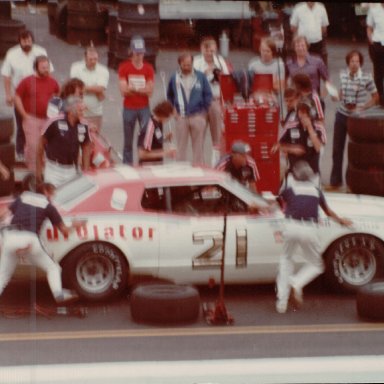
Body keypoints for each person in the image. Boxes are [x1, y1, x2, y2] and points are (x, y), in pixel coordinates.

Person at [275, 160, 352, 314]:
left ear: (295, 176)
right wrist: (342, 221)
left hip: (290, 226)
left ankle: (281, 303)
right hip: (309, 228)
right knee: (316, 265)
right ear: (310, 176)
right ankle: (296, 282)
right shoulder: (316, 191)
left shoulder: (290, 189)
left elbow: (279, 202)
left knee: (286, 259)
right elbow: (328, 212)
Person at [0, 181, 86, 304]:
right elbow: (65, 232)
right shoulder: (48, 206)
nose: (53, 198)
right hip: (29, 240)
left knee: (3, 276)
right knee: (53, 268)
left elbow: (3, 214)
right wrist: (75, 226)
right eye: (52, 194)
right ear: (46, 192)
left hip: (10, 238)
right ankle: (59, 294)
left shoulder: (23, 197)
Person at [328, 49, 378, 190]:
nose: (354, 64)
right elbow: (340, 94)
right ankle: (335, 181)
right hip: (342, 114)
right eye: (352, 61)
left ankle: (352, 181)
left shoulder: (366, 78)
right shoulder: (343, 75)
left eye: (357, 61)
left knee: (354, 150)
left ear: (360, 63)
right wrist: (335, 96)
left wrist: (364, 107)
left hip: (357, 117)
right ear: (348, 63)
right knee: (337, 149)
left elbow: (376, 97)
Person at [1, 29, 53, 161]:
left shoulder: (41, 52)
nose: (27, 43)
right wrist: (8, 94)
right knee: (22, 124)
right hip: (21, 96)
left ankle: (44, 152)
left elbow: (49, 72)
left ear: (32, 40)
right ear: (20, 41)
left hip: (40, 95)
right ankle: (20, 152)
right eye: (24, 41)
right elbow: (6, 75)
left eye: (29, 40)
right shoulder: (12, 54)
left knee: (43, 125)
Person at [14, 55, 60, 173]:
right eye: (43, 67)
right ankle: (34, 173)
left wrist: (56, 114)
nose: (46, 70)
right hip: (32, 119)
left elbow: (58, 96)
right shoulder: (27, 81)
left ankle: (44, 169)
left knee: (47, 146)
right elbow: (17, 97)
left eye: (47, 67)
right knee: (34, 146)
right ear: (36, 68)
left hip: (48, 120)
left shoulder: (53, 82)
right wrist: (24, 115)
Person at [167, 52, 212, 165]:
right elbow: (169, 96)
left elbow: (208, 95)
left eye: (189, 64)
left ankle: (199, 170)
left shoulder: (200, 77)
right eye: (184, 65)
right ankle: (180, 171)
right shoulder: (174, 78)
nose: (187, 67)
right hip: (181, 117)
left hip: (197, 116)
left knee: (198, 147)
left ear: (192, 63)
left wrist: (203, 113)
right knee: (181, 147)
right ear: (180, 64)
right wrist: (173, 111)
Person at [36, 96, 92, 187]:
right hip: (53, 170)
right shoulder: (54, 122)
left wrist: (86, 171)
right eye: (80, 110)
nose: (83, 113)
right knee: (52, 198)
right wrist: (38, 171)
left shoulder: (84, 125)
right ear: (70, 110)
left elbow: (86, 148)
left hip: (72, 170)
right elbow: (40, 146)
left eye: (84, 110)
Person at [118, 35, 155, 165]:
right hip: (129, 108)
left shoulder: (148, 68)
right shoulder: (124, 67)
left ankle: (143, 163)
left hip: (144, 107)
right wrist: (141, 89)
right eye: (137, 53)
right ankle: (127, 165)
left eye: (141, 53)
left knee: (145, 138)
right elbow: (123, 90)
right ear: (132, 52)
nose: (139, 56)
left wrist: (133, 88)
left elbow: (150, 91)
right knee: (128, 140)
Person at [193, 36, 231, 157]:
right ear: (201, 49)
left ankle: (217, 163)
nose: (209, 53)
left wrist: (218, 75)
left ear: (216, 50)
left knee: (218, 137)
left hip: (215, 100)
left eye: (212, 51)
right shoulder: (196, 62)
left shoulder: (220, 61)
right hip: (200, 102)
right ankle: (198, 164)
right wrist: (204, 74)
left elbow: (227, 80)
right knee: (198, 135)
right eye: (206, 50)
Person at [277, 96, 326, 185]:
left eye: (305, 112)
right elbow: (278, 145)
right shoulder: (290, 126)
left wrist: (310, 128)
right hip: (294, 173)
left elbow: (319, 148)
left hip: (312, 174)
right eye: (300, 111)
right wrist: (292, 149)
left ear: (311, 113)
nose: (302, 115)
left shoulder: (319, 127)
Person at [70, 46, 110, 132]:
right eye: (90, 59)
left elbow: (101, 88)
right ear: (84, 58)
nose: (93, 61)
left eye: (95, 59)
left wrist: (85, 88)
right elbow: (75, 86)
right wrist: (94, 89)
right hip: (78, 112)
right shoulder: (76, 67)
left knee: (94, 141)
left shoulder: (103, 70)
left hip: (95, 113)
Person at [138, 100, 176, 165]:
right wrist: (165, 153)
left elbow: (155, 137)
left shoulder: (158, 122)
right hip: (148, 165)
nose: (168, 121)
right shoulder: (150, 127)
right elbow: (142, 154)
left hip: (157, 163)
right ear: (164, 115)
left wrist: (166, 137)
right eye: (169, 118)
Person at [366, 3, 384, 106]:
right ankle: (380, 98)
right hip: (377, 43)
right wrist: (371, 41)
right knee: (378, 73)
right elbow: (369, 28)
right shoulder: (373, 9)